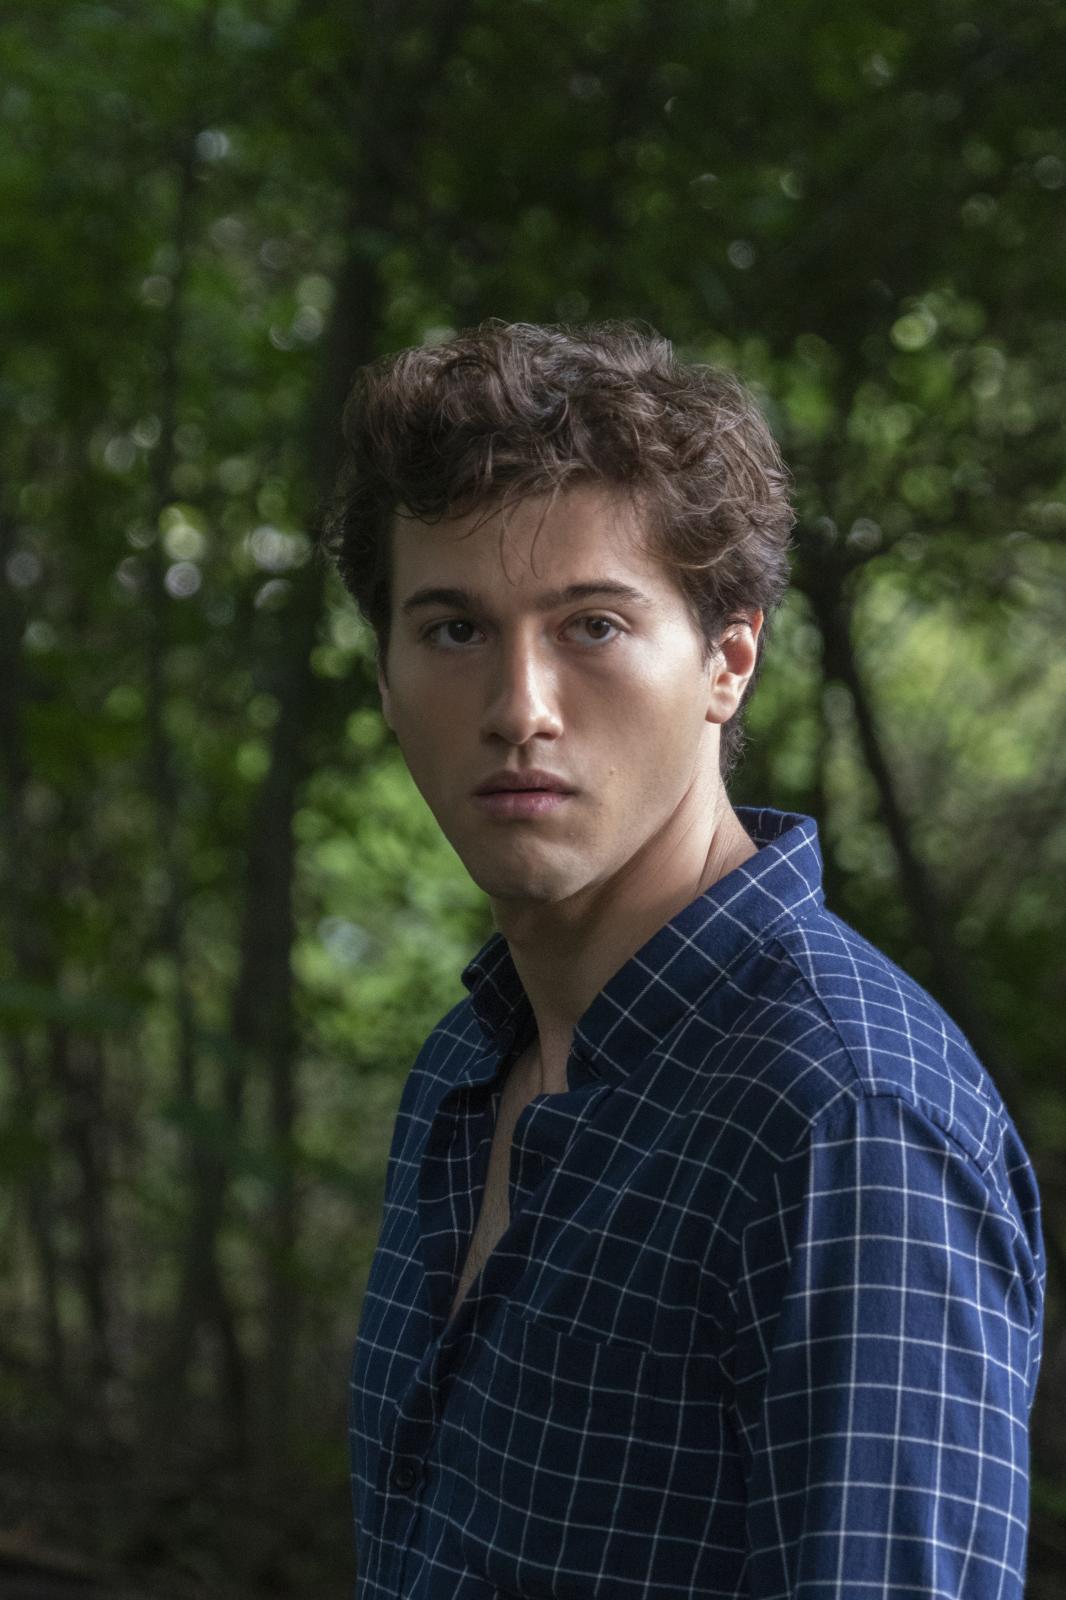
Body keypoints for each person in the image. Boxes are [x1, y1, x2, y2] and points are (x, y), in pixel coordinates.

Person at [324, 320, 1045, 1599]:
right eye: (453, 630)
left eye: (593, 626)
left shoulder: (842, 1117)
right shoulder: (464, 1068)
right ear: (385, 676)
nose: (520, 707)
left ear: (727, 660)